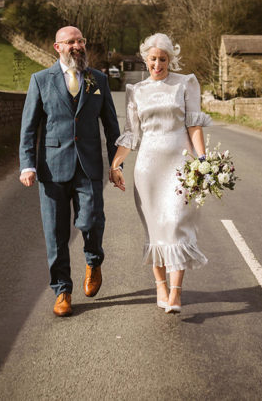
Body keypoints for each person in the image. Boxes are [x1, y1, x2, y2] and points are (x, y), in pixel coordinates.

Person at [19, 25, 121, 317]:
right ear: (58, 47)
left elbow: (111, 126)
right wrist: (27, 164)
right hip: (51, 169)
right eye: (71, 41)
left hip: (88, 166)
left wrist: (116, 164)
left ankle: (93, 259)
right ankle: (62, 290)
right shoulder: (40, 80)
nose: (77, 45)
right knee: (55, 233)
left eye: (81, 41)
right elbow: (29, 127)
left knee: (91, 220)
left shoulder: (98, 79)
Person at [109, 33, 211, 314]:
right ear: (146, 59)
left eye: (163, 59)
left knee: (176, 224)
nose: (157, 64)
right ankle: (160, 286)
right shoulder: (136, 90)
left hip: (181, 165)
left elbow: (194, 124)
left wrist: (202, 160)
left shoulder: (185, 83)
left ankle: (176, 292)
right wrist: (116, 164)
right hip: (148, 169)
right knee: (155, 231)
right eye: (153, 59)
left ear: (170, 60)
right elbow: (131, 134)